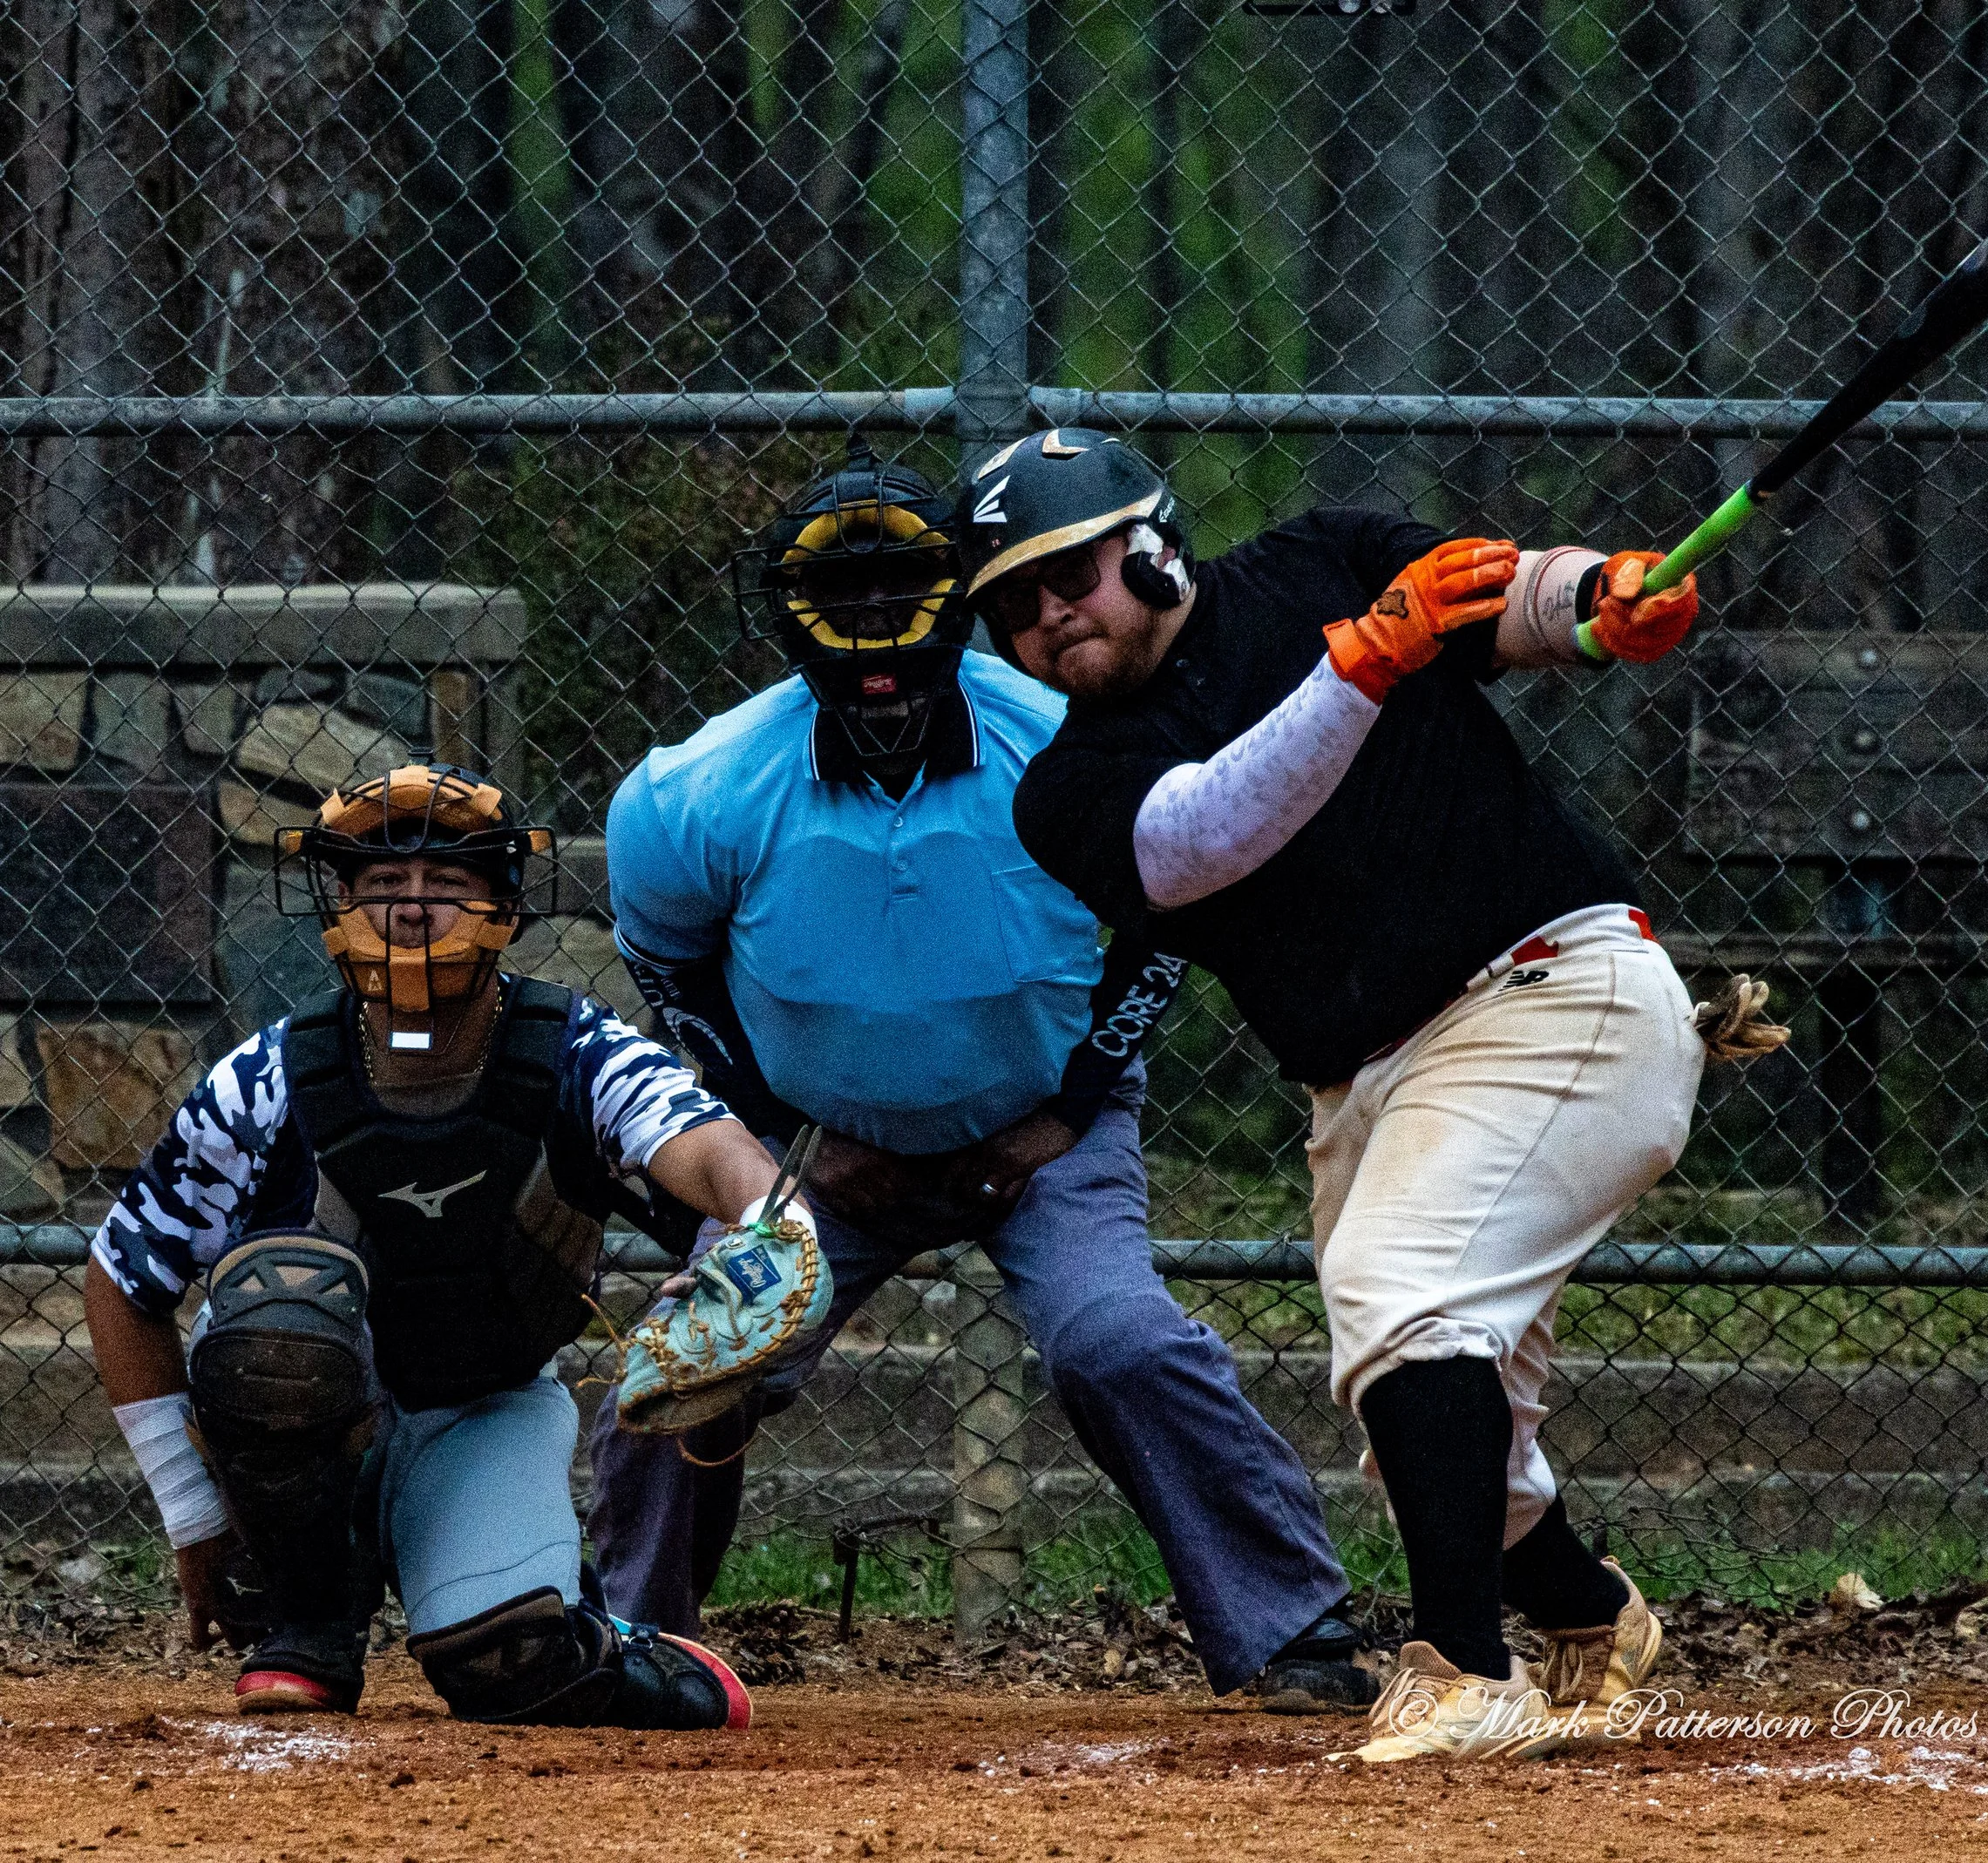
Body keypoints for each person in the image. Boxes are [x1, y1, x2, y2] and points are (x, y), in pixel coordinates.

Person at [982, 429, 1774, 1762]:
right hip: (1371, 1080)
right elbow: (1195, 842)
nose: (1052, 610)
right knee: (1441, 1444)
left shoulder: (1320, 564)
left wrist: (1607, 595)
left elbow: (1506, 596)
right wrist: (1359, 671)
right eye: (1014, 599)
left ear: (1155, 542)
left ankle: (1465, 1675)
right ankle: (1590, 1614)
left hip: (1552, 991)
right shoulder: (1069, 788)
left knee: (1400, 1289)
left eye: (1076, 568)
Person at [587, 445, 1374, 1710]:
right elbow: (664, 960)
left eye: (905, 596)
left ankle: (1295, 1633)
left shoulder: (1066, 746)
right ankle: (638, 1645)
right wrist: (786, 1134)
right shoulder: (701, 790)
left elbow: (1174, 917)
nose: (878, 658)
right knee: (696, 1353)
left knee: (1117, 1338)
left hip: (1044, 1132)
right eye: (843, 609)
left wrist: (1069, 1107)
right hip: (821, 1158)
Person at [85, 762, 799, 1726]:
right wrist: (192, 1511)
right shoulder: (267, 1075)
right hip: (308, 1425)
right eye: (383, 884)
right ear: (339, 903)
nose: (413, 909)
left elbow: (716, 1157)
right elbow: (123, 1271)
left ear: (504, 902)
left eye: (448, 883)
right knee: (276, 1317)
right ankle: (305, 1615)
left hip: (482, 1403)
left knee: (511, 1663)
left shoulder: (575, 1050)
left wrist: (767, 1231)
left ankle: (609, 1639)